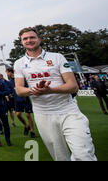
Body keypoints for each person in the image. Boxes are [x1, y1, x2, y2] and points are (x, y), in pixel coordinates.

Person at [13, 27, 97, 161]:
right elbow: (19, 90)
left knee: (84, 154)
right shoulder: (19, 64)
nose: (29, 40)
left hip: (68, 110)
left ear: (39, 39)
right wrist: (33, 90)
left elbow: (73, 86)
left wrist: (50, 90)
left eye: (32, 37)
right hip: (43, 114)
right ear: (21, 42)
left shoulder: (57, 57)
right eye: (25, 39)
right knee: (60, 157)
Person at [6, 67, 36, 138]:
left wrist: (25, 96)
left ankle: (32, 131)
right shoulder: (10, 81)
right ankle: (26, 126)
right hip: (17, 101)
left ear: (10, 72)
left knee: (28, 115)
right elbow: (10, 91)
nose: (7, 74)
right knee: (18, 115)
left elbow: (26, 88)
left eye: (7, 72)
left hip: (25, 99)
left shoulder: (20, 79)